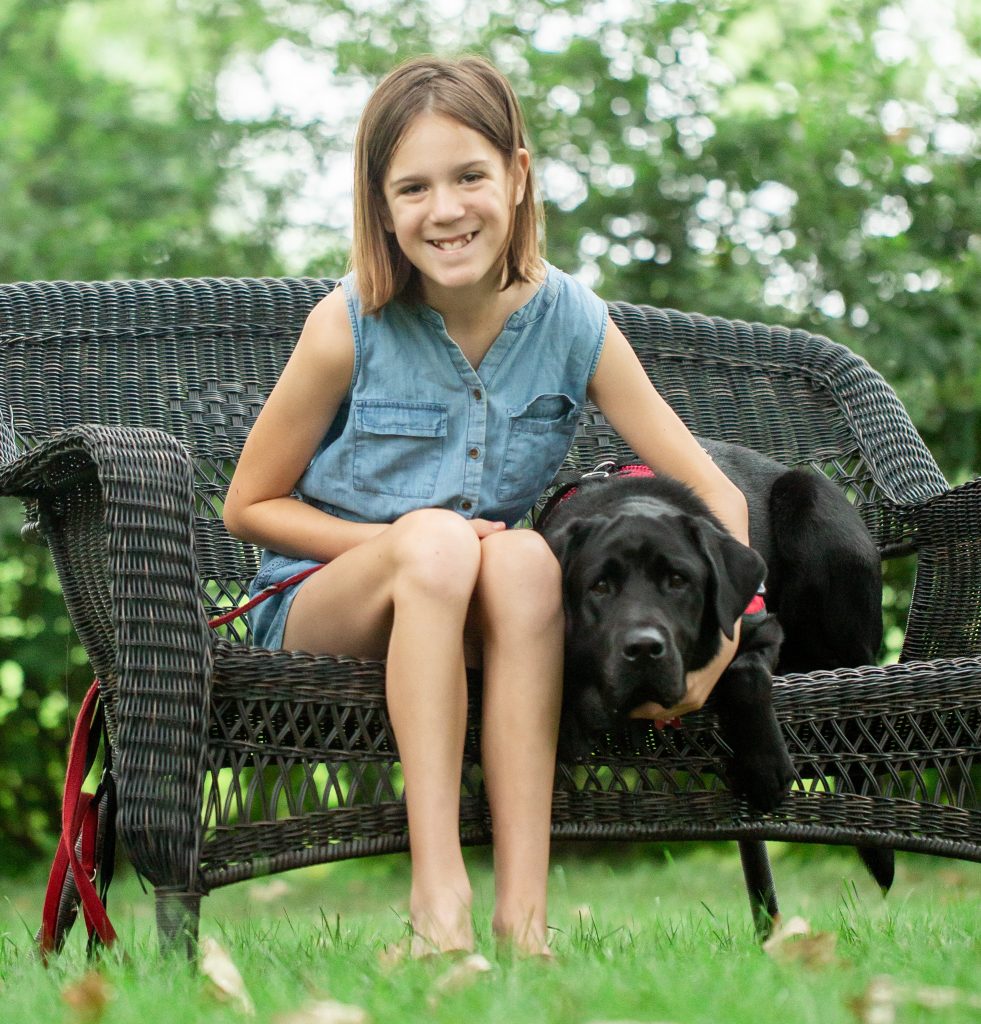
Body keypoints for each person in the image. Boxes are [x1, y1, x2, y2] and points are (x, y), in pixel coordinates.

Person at [223, 54, 748, 959]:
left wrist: (718, 654)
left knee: (522, 556)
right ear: (380, 206)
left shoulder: (571, 320)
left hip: (473, 599)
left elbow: (717, 493)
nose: (446, 210)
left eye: (469, 175)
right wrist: (393, 540)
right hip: (324, 598)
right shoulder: (346, 324)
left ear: (517, 175)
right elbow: (249, 504)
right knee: (437, 546)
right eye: (412, 188)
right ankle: (438, 903)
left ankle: (524, 923)